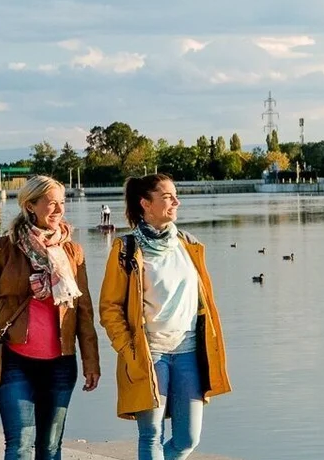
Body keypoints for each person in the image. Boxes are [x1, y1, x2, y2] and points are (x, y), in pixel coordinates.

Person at [0, 175, 101, 460]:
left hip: (61, 363)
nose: (59, 209)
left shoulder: (72, 252)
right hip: (13, 360)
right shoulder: (2, 248)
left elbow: (83, 311)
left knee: (50, 449)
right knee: (19, 445)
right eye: (51, 203)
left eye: (62, 203)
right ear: (30, 205)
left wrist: (91, 362)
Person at [100, 174, 231, 460]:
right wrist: (130, 350)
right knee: (152, 436)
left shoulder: (188, 244)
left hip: (188, 352)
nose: (176, 202)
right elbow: (109, 308)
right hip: (150, 354)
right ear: (146, 203)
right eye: (168, 197)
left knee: (187, 438)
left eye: (175, 196)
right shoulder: (126, 249)